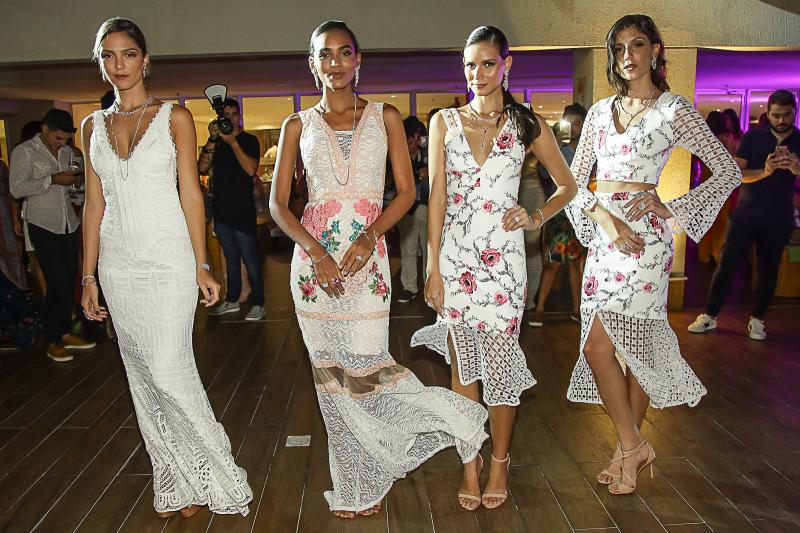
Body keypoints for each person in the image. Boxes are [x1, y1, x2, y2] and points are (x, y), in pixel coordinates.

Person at [270, 20, 488, 519]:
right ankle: (356, 482)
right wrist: (317, 253)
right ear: (312, 63)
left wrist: (370, 236)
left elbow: (408, 193)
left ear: (359, 59)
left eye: (344, 52)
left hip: (367, 266)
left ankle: (454, 417)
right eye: (325, 54)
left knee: (368, 370)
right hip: (314, 270)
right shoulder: (296, 125)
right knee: (331, 379)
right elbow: (279, 205)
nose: (335, 63)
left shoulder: (385, 116)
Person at [80, 17, 252, 518]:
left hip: (169, 260)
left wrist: (202, 263)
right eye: (109, 55)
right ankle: (177, 479)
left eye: (129, 53)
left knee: (169, 370)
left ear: (146, 59)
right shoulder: (91, 127)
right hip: (117, 265)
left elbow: (191, 193)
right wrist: (88, 276)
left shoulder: (174, 117)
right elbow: (94, 205)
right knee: (142, 378)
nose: (119, 64)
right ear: (101, 64)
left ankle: (215, 474)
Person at [565, 14, 741, 496]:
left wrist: (671, 206)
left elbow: (725, 169)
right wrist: (605, 219)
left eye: (637, 45)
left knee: (637, 349)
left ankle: (626, 453)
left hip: (646, 243)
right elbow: (574, 183)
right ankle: (633, 446)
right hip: (607, 237)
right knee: (597, 347)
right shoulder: (599, 112)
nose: (628, 56)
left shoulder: (673, 110)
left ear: (656, 50)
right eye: (619, 48)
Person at [412, 26, 578, 510]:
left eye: (488, 63)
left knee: (501, 370)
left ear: (507, 65)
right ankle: (470, 461)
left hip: (504, 263)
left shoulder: (526, 125)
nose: (478, 74)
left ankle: (500, 461)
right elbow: (437, 197)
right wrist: (433, 266)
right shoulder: (443, 121)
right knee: (464, 367)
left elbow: (567, 186)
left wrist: (536, 216)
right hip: (455, 259)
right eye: (470, 65)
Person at [689, 89, 799, 340]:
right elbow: (737, 175)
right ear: (768, 113)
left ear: (794, 112)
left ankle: (757, 319)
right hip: (746, 213)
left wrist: (797, 168)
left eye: (786, 115)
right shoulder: (753, 137)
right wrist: (766, 171)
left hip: (779, 216)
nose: (781, 120)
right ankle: (709, 314)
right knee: (727, 263)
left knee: (768, 268)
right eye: (776, 115)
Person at [9, 108, 94, 363]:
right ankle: (53, 339)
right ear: (44, 129)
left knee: (69, 279)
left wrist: (76, 180)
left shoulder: (67, 153)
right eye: (58, 138)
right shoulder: (25, 152)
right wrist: (52, 179)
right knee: (55, 281)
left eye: (66, 139)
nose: (62, 143)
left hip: (68, 222)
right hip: (42, 222)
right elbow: (16, 188)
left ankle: (65, 332)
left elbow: (75, 187)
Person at [197, 98, 265, 321]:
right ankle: (232, 299)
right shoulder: (216, 144)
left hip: (243, 210)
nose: (231, 119)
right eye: (226, 116)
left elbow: (250, 169)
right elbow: (202, 168)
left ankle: (259, 303)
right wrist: (212, 138)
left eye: (234, 114)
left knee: (250, 259)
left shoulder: (249, 140)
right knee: (231, 258)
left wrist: (233, 141)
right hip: (222, 211)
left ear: (239, 116)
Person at [530, 103, 588, 326]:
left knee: (575, 263)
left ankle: (577, 310)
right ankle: (539, 309)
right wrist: (553, 144)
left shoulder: (588, 151)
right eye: (569, 123)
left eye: (577, 124)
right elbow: (544, 174)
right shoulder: (558, 148)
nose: (572, 128)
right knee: (552, 262)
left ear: (584, 126)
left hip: (580, 212)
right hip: (557, 212)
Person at [396, 115, 429, 303]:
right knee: (408, 250)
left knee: (429, 250)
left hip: (426, 205)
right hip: (406, 208)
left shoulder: (429, 153)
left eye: (417, 137)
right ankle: (409, 287)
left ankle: (429, 286)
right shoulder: (398, 156)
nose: (414, 142)